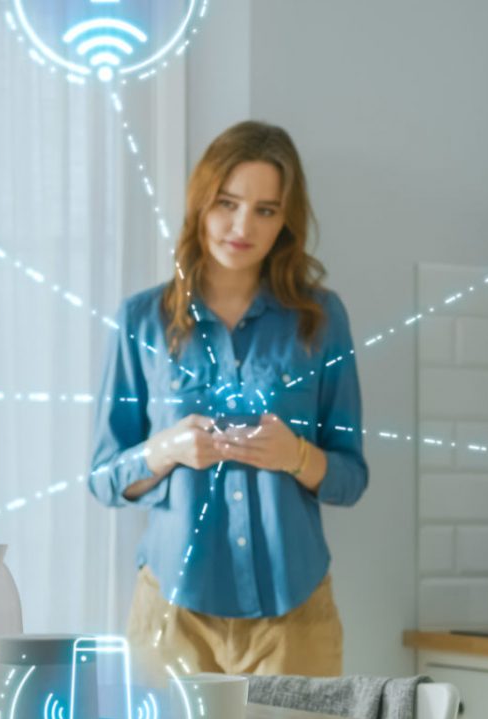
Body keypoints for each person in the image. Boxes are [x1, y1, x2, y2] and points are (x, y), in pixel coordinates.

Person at [88, 121, 367, 677]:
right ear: (200, 204)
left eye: (266, 209)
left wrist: (296, 456)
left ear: (286, 219)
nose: (243, 226)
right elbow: (104, 479)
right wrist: (164, 449)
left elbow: (350, 478)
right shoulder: (141, 320)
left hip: (294, 615)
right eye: (227, 203)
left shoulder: (321, 319)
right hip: (173, 613)